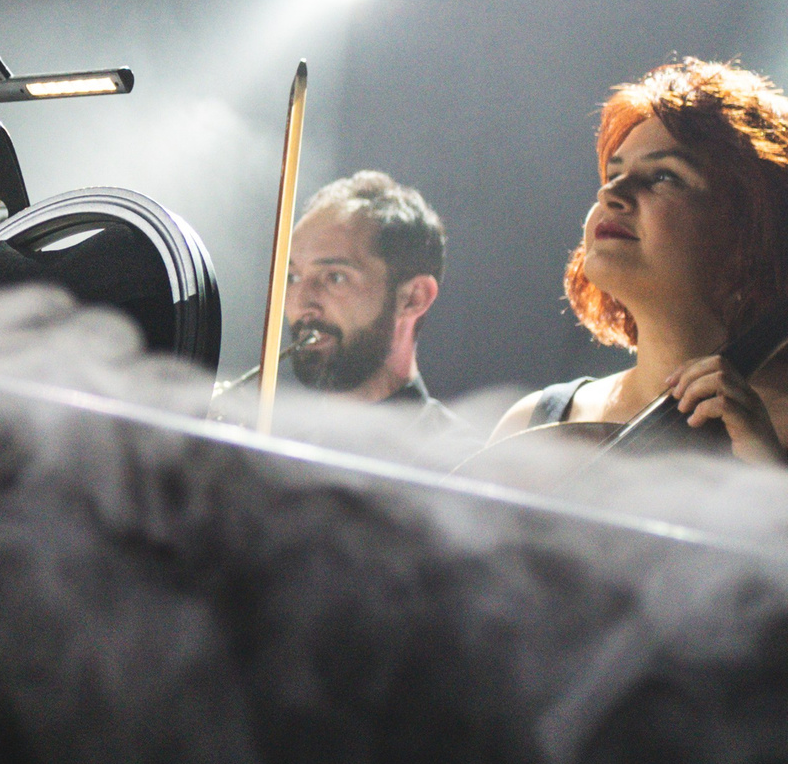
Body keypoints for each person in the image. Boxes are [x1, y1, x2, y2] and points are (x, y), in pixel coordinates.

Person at [489, 59, 788, 464]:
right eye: (613, 175)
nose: (609, 194)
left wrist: (769, 474)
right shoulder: (532, 422)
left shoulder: (771, 435)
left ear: (752, 231)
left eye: (664, 176)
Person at [277, 172, 461, 433]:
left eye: (335, 277)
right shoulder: (270, 441)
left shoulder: (461, 456)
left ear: (414, 298)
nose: (301, 302)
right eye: (292, 277)